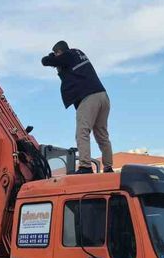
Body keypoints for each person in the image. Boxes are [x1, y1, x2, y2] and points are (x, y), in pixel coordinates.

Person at [41, 40, 113, 174]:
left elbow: (45, 61)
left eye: (56, 54)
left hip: (89, 97)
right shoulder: (78, 53)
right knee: (102, 135)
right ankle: (108, 168)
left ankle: (85, 166)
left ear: (59, 52)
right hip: (103, 96)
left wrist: (52, 57)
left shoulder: (67, 55)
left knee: (82, 132)